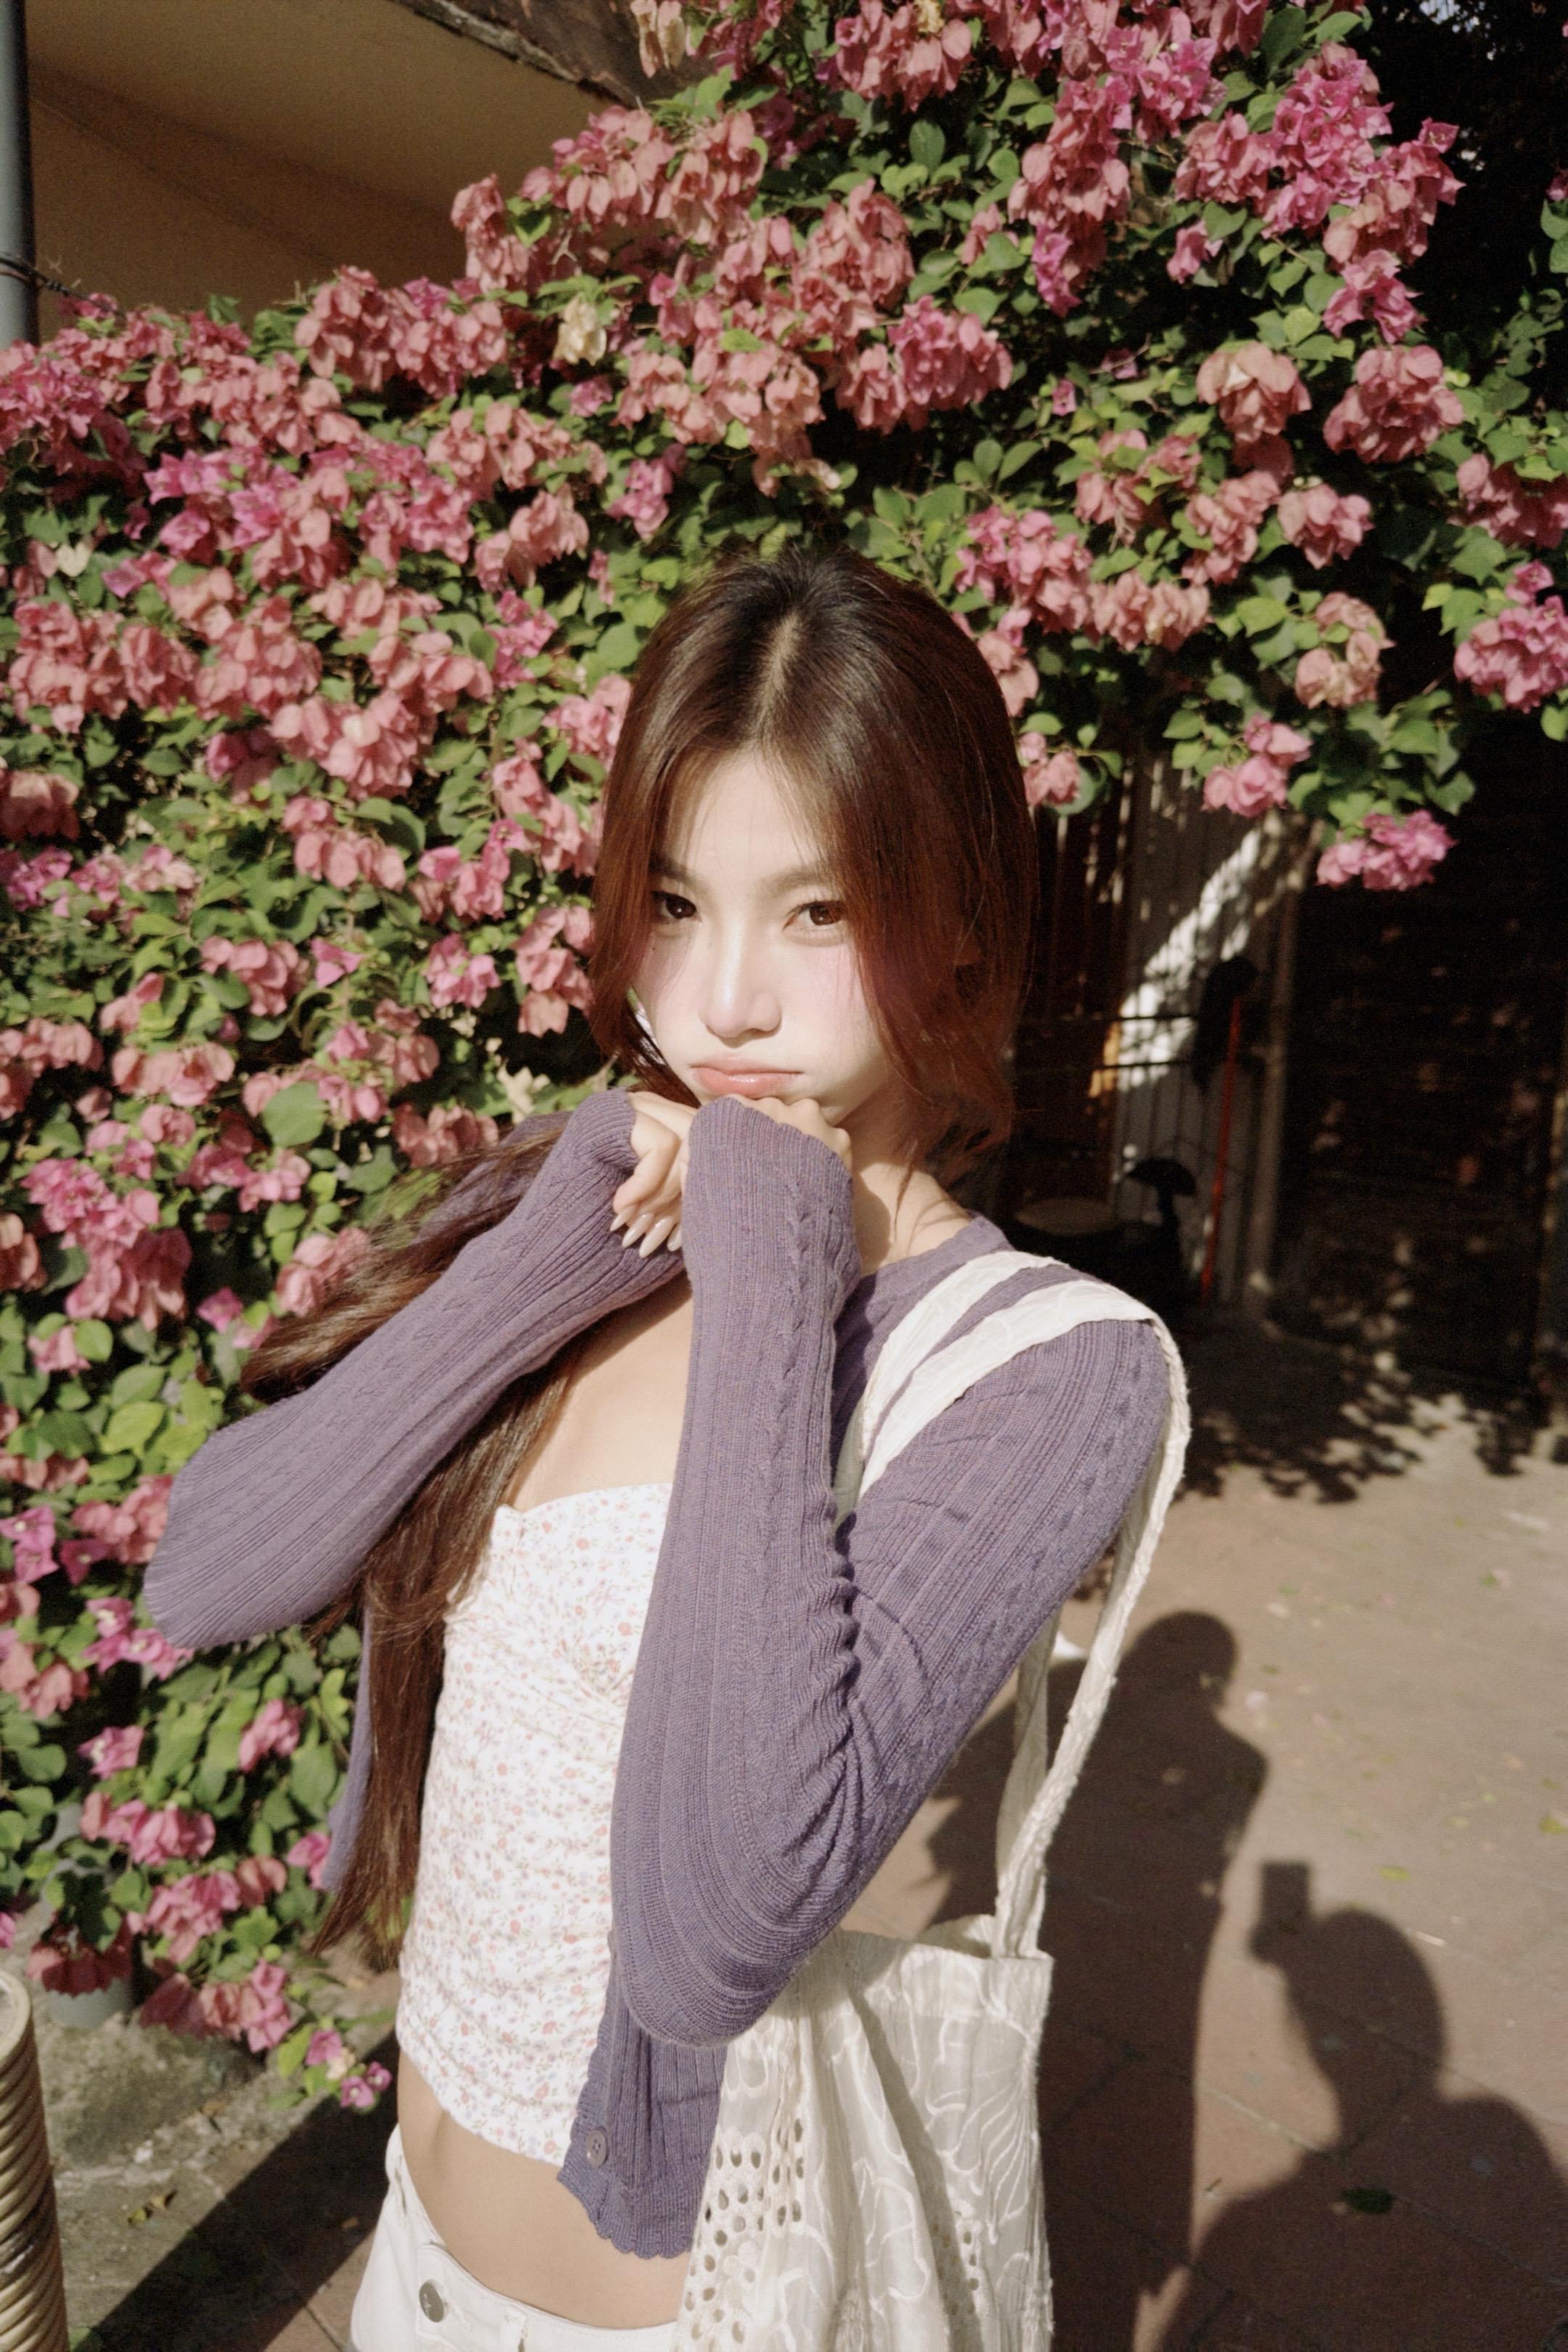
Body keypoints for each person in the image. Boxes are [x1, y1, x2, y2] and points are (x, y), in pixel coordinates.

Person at [143, 539, 1169, 2351]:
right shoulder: (600, 1211)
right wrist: (538, 1260)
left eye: (820, 911)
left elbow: (714, 1929)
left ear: (961, 920)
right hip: (414, 2257)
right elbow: (208, 1572)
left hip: (665, 2313)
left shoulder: (1047, 1372)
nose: (724, 1003)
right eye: (678, 903)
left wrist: (775, 1261)